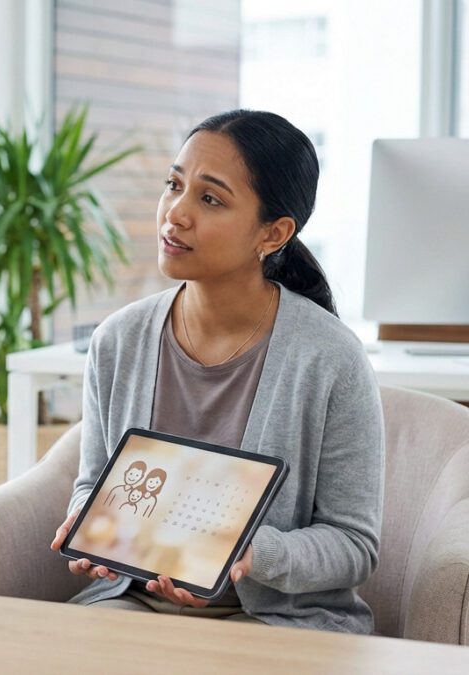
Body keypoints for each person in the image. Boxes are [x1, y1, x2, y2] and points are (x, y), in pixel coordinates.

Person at [50, 110, 383, 632]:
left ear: (273, 234)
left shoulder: (331, 358)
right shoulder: (118, 340)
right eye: (174, 185)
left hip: (275, 619)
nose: (175, 214)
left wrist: (251, 553)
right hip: (131, 603)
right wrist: (91, 522)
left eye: (210, 199)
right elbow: (95, 482)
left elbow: (354, 544)